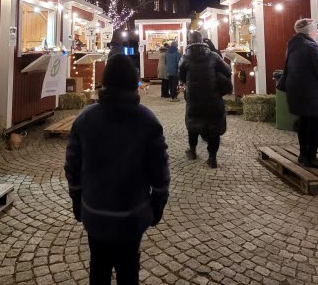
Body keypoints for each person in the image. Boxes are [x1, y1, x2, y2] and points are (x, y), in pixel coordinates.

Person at [65, 55, 170, 285]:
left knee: (98, 267)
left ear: (106, 80)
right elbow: (160, 169)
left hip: (95, 213)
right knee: (128, 269)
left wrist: (77, 199)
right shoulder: (147, 120)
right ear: (134, 83)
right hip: (132, 216)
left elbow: (72, 164)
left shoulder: (85, 119)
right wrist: (158, 203)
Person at [279, 18, 318, 168]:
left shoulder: (293, 46)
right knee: (315, 125)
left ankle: (303, 155)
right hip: (313, 94)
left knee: (304, 123)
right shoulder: (311, 46)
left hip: (297, 92)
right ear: (311, 31)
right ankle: (311, 157)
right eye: (315, 29)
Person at [179, 31, 232, 168]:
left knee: (193, 123)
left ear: (190, 42)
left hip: (194, 98)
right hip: (213, 97)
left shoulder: (185, 58)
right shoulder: (214, 56)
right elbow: (227, 71)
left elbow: (182, 77)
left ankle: (192, 151)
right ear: (202, 40)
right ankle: (212, 158)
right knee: (214, 125)